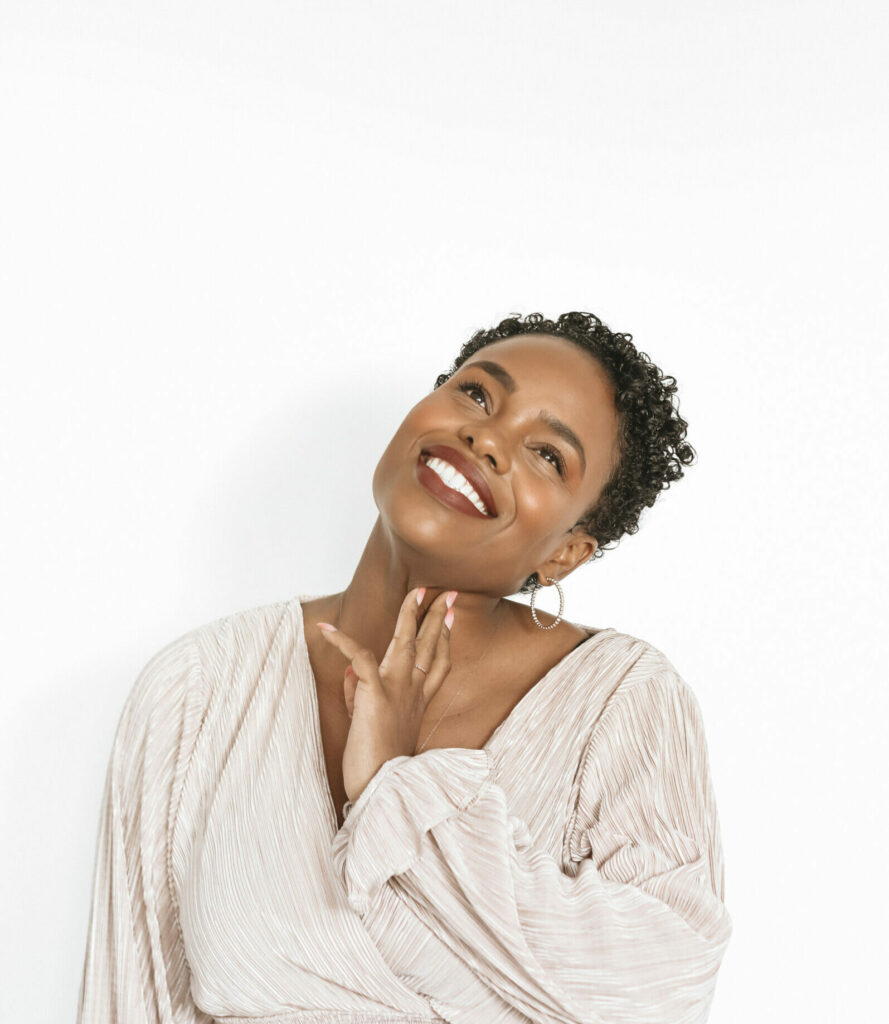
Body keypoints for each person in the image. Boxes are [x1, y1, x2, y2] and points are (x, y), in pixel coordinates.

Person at [76, 311, 733, 1024]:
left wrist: (399, 789)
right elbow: (132, 997)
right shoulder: (199, 688)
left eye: (547, 454)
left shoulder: (619, 700)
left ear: (565, 553)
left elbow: (661, 993)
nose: (486, 437)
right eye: (477, 395)